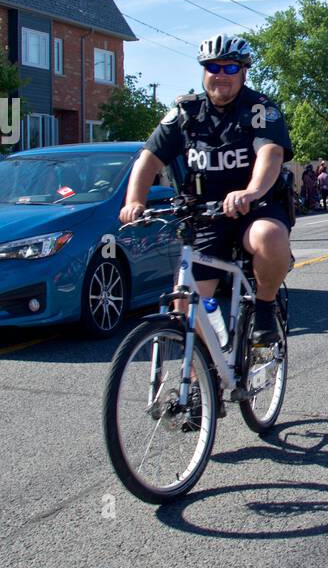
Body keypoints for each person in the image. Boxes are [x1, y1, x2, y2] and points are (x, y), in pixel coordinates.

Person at [120, 34, 293, 345]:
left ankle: (265, 307)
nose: (221, 75)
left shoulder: (259, 108)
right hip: (205, 213)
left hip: (254, 209)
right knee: (186, 306)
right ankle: (205, 375)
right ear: (203, 71)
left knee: (270, 237)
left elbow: (271, 154)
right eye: (214, 66)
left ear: (244, 72)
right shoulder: (186, 112)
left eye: (230, 68)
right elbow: (148, 158)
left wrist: (251, 192)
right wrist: (134, 200)